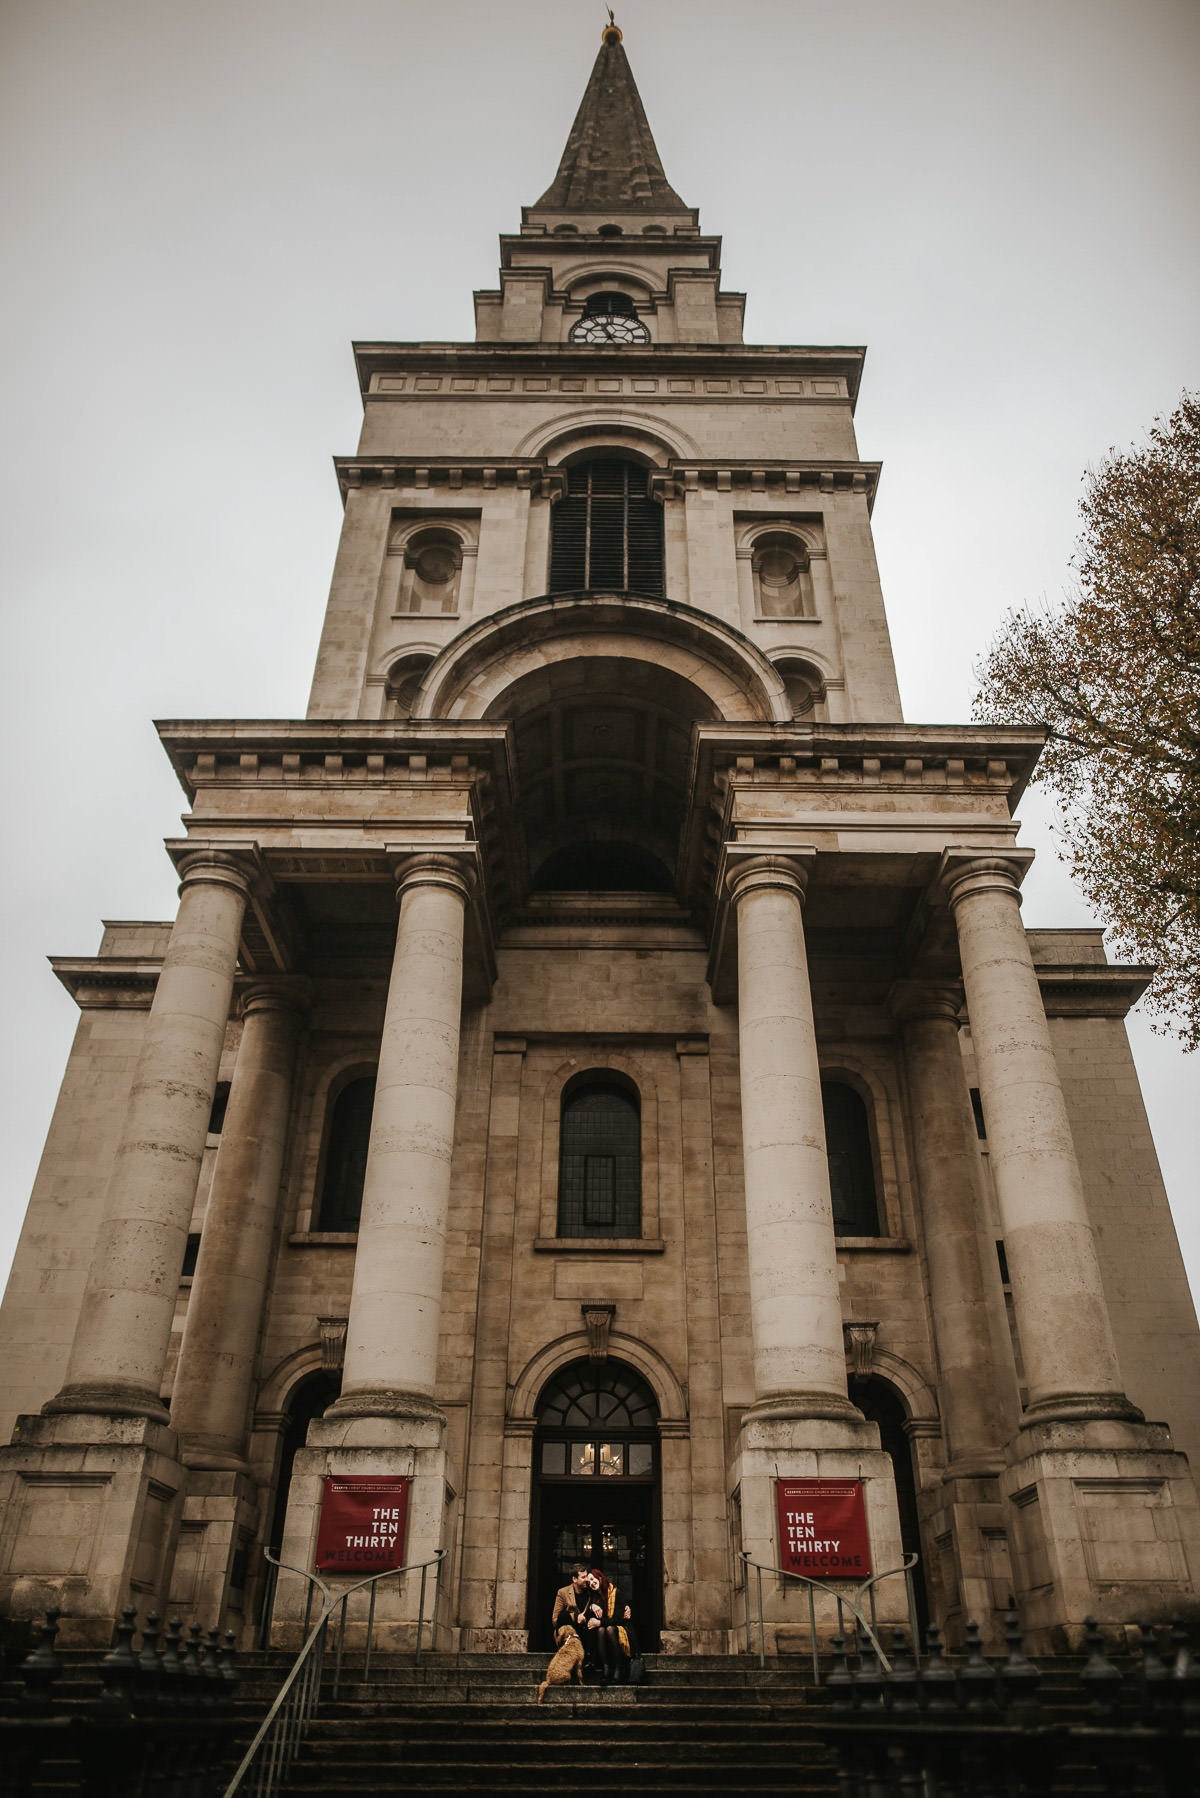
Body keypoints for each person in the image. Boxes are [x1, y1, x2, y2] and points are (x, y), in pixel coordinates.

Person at [582, 1568, 638, 1685]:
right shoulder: (593, 1597)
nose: (591, 1583)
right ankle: (606, 1669)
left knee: (608, 1629)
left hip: (620, 1629)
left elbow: (618, 1620)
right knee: (602, 1630)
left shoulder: (616, 1593)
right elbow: (586, 1616)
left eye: (592, 1579)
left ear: (600, 1578)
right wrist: (592, 1606)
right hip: (603, 1634)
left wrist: (600, 1623)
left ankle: (618, 1667)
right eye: (588, 1582)